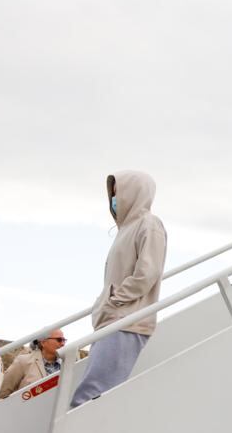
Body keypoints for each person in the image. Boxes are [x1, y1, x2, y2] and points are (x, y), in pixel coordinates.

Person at [71, 171, 167, 408]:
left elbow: (148, 271)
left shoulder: (149, 224)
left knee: (91, 397)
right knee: (92, 394)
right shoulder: (126, 229)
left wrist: (116, 299)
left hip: (126, 320)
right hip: (112, 318)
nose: (114, 199)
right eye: (113, 195)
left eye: (118, 193)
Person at [0, 329, 64, 402]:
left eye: (64, 340)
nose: (63, 344)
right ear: (43, 342)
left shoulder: (67, 364)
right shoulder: (23, 361)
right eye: (59, 340)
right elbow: (3, 394)